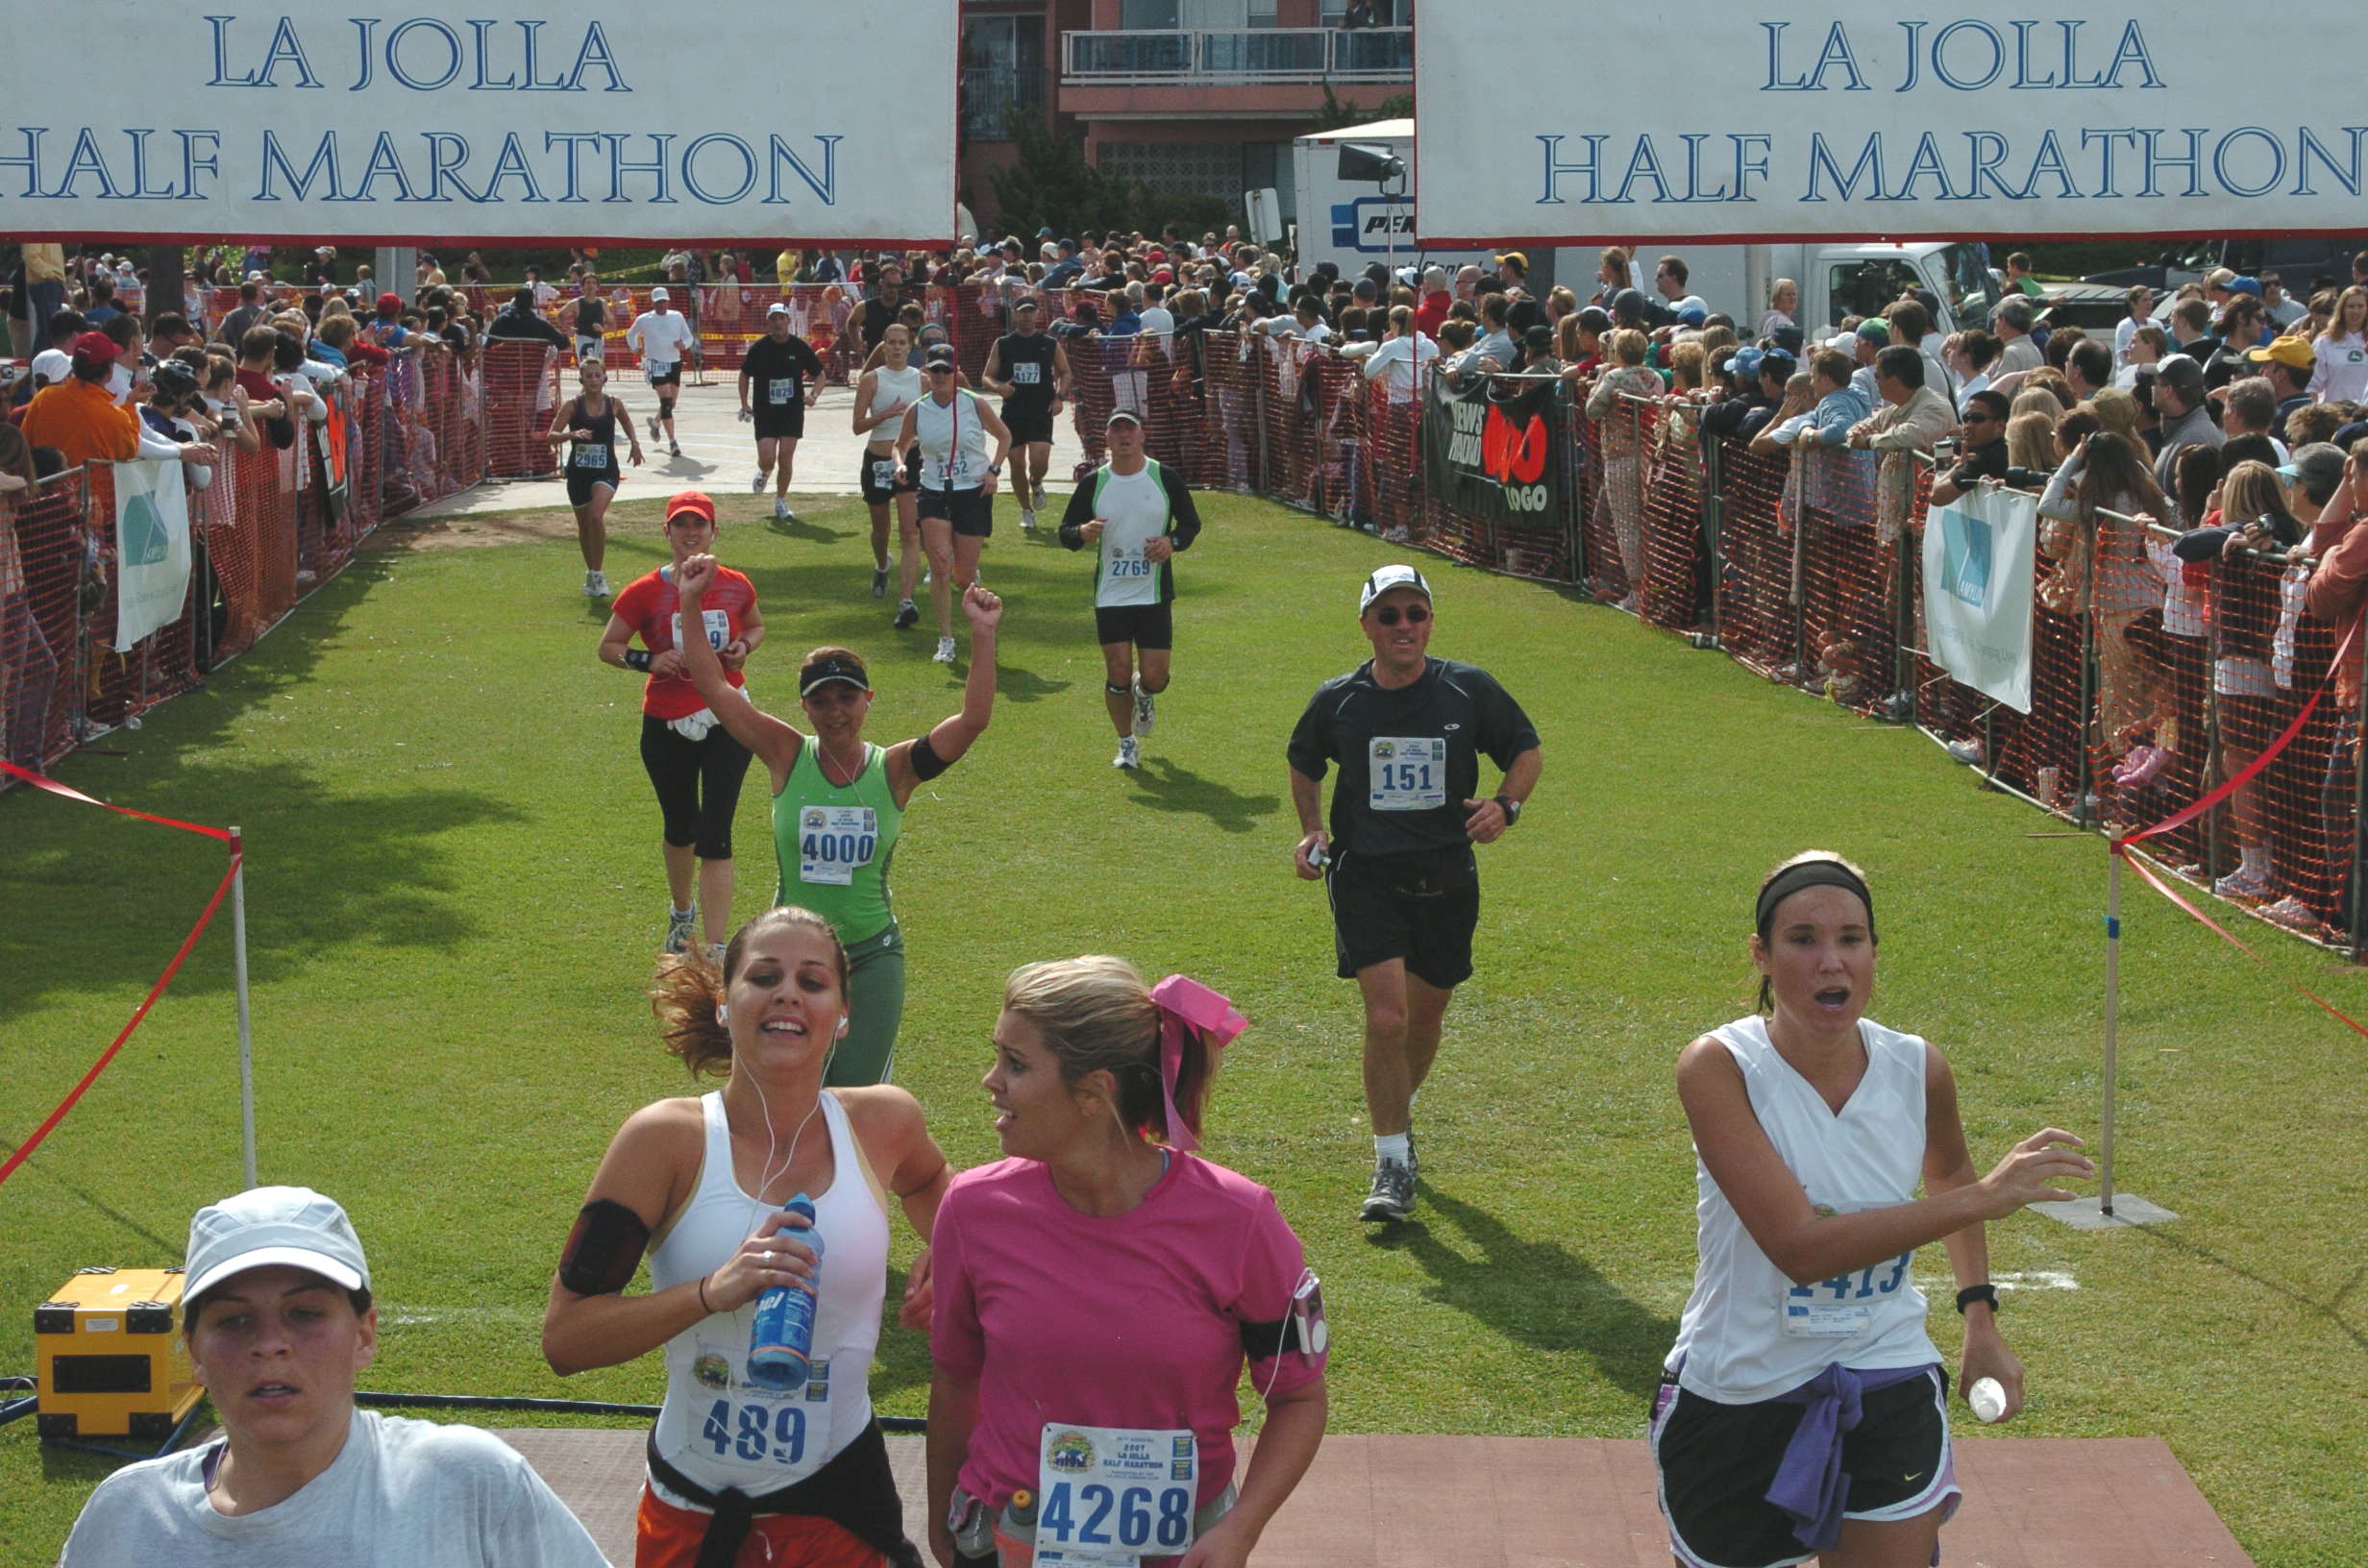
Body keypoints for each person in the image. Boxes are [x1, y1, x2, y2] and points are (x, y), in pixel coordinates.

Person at [1655, 852, 2093, 1568]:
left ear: (1873, 952)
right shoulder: (1717, 1067)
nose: (1832, 962)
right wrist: (1985, 1197)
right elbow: (1799, 1247)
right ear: (1762, 956)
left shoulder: (1917, 1068)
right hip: (1742, 1389)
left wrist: (1980, 1320)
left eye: (1851, 939)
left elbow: (1947, 1171)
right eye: (1803, 940)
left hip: (1883, 1369)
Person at [542, 906, 950, 1567]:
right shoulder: (662, 1142)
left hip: (842, 1515)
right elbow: (566, 1339)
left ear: (842, 1017)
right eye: (764, 976)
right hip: (695, 1519)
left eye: (812, 982)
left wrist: (951, 1248)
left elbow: (934, 1185)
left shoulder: (884, 1124)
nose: (788, 992)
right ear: (727, 1005)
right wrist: (710, 1292)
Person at [925, 957, 1329, 1568]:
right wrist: (942, 1526)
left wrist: (1241, 1530)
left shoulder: (1238, 1219)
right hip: (1006, 1543)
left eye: (1016, 1063)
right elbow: (956, 1376)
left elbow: (1298, 1398)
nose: (990, 1080)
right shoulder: (972, 1208)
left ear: (1093, 1093)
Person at [62, 1186, 608, 1567]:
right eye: (234, 1320)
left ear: (364, 1334)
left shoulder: (469, 1485)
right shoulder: (127, 1518)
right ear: (194, 1353)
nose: (270, 1344)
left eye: (305, 1314)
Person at [672, 552, 1003, 1085]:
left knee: (853, 1096)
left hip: (871, 958)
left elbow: (973, 720)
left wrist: (982, 635)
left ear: (868, 700)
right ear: (804, 709)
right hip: (788, 958)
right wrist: (689, 602)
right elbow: (713, 687)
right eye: (820, 701)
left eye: (847, 697)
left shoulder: (894, 770)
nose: (835, 711)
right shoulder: (786, 755)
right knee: (782, 1088)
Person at [1286, 564, 1542, 1222]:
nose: (1405, 626)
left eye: (1416, 614)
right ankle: (1392, 1160)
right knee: (1389, 1018)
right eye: (1391, 615)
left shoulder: (1467, 689)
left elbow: (1525, 750)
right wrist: (1312, 830)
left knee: (1425, 1018)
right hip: (1367, 873)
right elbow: (1304, 760)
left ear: (1430, 622)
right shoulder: (1339, 698)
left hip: (1447, 875)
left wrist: (1505, 807)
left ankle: (1398, 1113)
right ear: (1367, 623)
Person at [597, 492, 763, 962]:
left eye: (700, 524)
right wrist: (647, 660)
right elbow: (608, 645)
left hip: (728, 717)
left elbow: (755, 626)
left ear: (715, 532)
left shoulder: (734, 584)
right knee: (680, 826)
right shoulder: (644, 591)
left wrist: (744, 648)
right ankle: (681, 911)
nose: (691, 532)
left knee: (718, 831)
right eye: (681, 525)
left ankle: (714, 946)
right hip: (666, 723)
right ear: (665, 533)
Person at [1059, 408, 1204, 771]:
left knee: (1155, 676)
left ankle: (1145, 694)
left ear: (1142, 434)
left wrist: (1171, 542)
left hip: (1153, 593)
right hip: (1111, 594)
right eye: (1116, 430)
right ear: (1106, 438)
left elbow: (1190, 524)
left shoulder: (1163, 477)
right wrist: (1082, 532)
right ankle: (1126, 743)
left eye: (1130, 429)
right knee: (1118, 669)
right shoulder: (1094, 482)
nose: (1123, 435)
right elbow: (1065, 532)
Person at [900, 344, 1012, 665]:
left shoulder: (973, 404)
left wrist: (993, 470)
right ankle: (945, 638)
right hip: (934, 490)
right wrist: (901, 463)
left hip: (972, 491)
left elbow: (1004, 436)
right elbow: (900, 444)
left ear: (955, 372)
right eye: (933, 370)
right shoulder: (918, 409)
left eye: (945, 370)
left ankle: (974, 593)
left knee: (962, 576)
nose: (939, 376)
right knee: (938, 565)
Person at [547, 358, 644, 598]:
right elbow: (551, 435)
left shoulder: (613, 403)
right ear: (581, 380)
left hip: (606, 470)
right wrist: (572, 433)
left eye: (597, 375)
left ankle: (599, 575)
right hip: (579, 473)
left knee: (595, 516)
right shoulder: (572, 405)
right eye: (588, 376)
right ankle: (591, 574)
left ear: (604, 378)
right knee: (584, 526)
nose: (593, 380)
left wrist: (634, 443)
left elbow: (627, 421)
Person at [853, 323, 925, 625]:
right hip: (878, 460)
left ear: (910, 347)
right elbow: (857, 425)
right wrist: (886, 414)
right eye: (891, 343)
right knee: (881, 531)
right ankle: (882, 565)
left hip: (911, 459)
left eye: (902, 343)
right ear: (883, 346)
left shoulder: (921, 380)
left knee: (910, 532)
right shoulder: (872, 380)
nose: (896, 348)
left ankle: (906, 600)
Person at [980, 297, 1070, 531]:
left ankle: (1037, 481)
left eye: (1031, 312)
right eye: (1023, 312)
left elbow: (1065, 372)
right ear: (1016, 314)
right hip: (1013, 411)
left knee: (1039, 461)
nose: (1027, 316)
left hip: (1041, 409)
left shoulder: (1049, 343)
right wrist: (1000, 388)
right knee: (1016, 462)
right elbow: (987, 376)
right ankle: (1026, 510)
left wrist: (1059, 397)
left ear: (1038, 314)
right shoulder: (1004, 343)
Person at [734, 303, 826, 523]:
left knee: (786, 456)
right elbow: (744, 374)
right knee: (767, 458)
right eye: (773, 319)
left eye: (781, 318)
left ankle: (781, 500)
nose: (778, 323)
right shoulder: (759, 348)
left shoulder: (799, 347)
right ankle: (765, 473)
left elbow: (820, 374)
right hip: (765, 410)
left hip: (792, 410)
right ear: (769, 322)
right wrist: (744, 403)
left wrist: (813, 395)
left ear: (788, 321)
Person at [626, 288, 699, 457]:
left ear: (668, 301)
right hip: (656, 364)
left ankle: (656, 422)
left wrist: (683, 345)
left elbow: (688, 338)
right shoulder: (644, 319)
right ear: (653, 302)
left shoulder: (677, 317)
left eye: (664, 301)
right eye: (658, 301)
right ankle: (673, 441)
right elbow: (631, 334)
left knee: (671, 403)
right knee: (666, 402)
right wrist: (635, 348)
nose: (662, 304)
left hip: (674, 363)